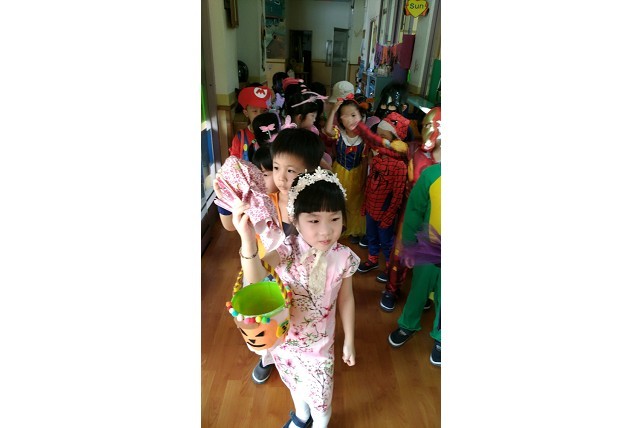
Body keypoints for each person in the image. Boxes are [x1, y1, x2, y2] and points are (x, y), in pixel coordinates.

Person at [231, 167, 358, 428]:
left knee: (321, 398)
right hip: (286, 341)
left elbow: (346, 300)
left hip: (320, 347)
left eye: (334, 219)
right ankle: (301, 417)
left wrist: (349, 340)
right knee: (295, 383)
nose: (325, 231)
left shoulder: (344, 257)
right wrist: (248, 240)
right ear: (296, 220)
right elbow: (256, 279)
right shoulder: (287, 250)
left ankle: (319, 423)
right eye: (314, 221)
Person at [250, 128, 326, 384]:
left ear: (311, 172)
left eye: (291, 171)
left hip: (302, 280)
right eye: (276, 167)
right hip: (272, 274)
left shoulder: (316, 207)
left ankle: (298, 358)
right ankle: (268, 356)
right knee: (269, 318)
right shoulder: (266, 202)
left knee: (297, 322)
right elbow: (240, 229)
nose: (281, 177)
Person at [380, 106, 441, 312]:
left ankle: (425, 292)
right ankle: (392, 289)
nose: (427, 129)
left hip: (437, 216)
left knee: (431, 257)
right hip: (410, 211)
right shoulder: (414, 150)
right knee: (401, 250)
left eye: (431, 125)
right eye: (425, 125)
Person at [387, 162, 441, 367]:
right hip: (430, 248)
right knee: (419, 289)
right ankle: (408, 324)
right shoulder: (432, 174)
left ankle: (441, 336)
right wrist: (409, 246)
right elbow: (415, 211)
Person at [352, 112, 410, 281]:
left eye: (383, 137)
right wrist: (365, 204)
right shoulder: (377, 156)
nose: (378, 140)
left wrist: (389, 215)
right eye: (377, 135)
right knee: (371, 235)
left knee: (386, 241)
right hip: (371, 206)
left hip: (385, 211)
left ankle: (390, 268)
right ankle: (372, 259)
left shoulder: (399, 165)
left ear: (395, 139)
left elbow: (398, 194)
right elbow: (370, 182)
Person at [322, 97, 368, 243]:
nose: (350, 120)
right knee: (339, 200)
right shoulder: (338, 133)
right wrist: (333, 110)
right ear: (340, 120)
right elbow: (327, 130)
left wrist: (364, 180)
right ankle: (340, 226)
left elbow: (365, 161)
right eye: (345, 116)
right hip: (339, 172)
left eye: (353, 115)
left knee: (355, 202)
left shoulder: (365, 138)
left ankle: (353, 229)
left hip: (357, 173)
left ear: (361, 116)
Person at [229, 85, 273, 161]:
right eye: (255, 111)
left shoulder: (273, 134)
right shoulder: (240, 137)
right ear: (246, 113)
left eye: (264, 111)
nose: (259, 115)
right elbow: (234, 163)